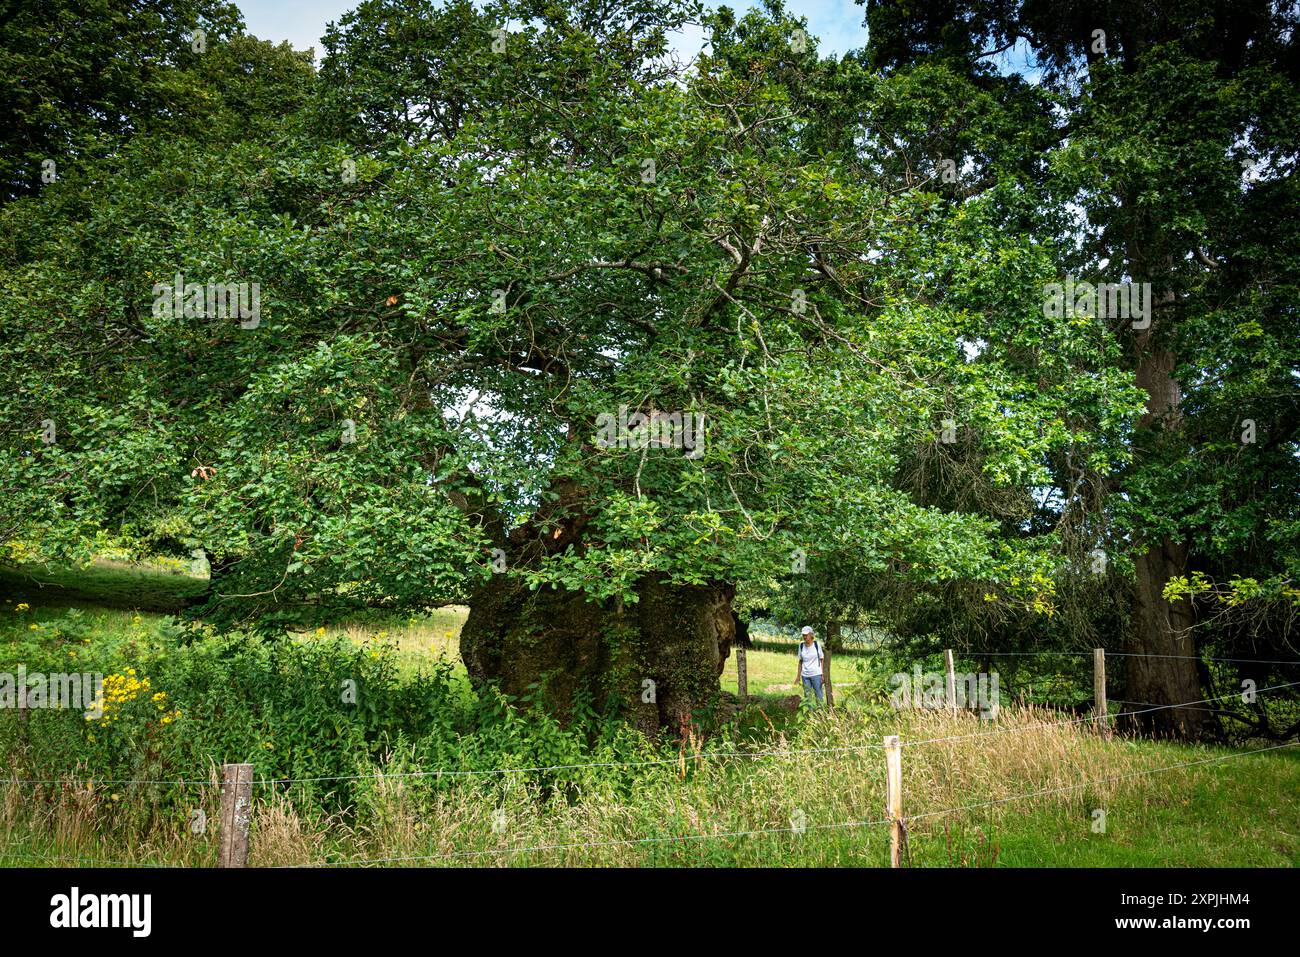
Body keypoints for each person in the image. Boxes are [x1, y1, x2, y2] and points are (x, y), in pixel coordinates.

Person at [795, 625, 824, 707]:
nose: (804, 637)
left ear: (811, 635)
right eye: (803, 635)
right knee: (807, 697)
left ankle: (820, 714)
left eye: (806, 635)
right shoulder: (801, 645)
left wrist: (822, 675)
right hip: (805, 675)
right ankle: (810, 715)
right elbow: (800, 662)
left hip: (816, 674)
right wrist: (798, 676)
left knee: (819, 696)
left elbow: (822, 659)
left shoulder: (816, 644)